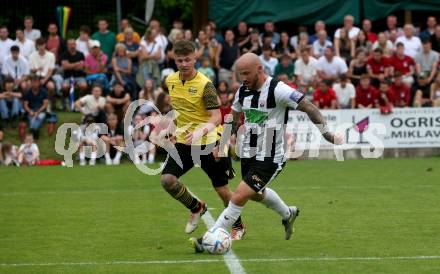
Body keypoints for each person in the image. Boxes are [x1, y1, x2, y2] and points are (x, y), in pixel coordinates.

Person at [189, 52, 343, 252]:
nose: (243, 78)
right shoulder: (242, 92)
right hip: (249, 154)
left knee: (240, 195)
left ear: (260, 69)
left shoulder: (278, 90)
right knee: (255, 194)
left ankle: (211, 236)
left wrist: (327, 134)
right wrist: (223, 144)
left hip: (271, 157)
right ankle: (288, 214)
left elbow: (309, 107)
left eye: (246, 73)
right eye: (240, 74)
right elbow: (233, 119)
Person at [159, 40, 246, 240]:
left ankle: (239, 226)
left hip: (209, 143)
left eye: (187, 59)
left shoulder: (205, 85)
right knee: (167, 180)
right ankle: (196, 207)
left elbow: (216, 117)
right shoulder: (171, 80)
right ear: (174, 59)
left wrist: (199, 131)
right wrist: (173, 129)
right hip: (184, 142)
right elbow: (181, 109)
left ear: (195, 58)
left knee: (223, 192)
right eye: (180, 60)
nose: (184, 64)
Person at [28, 38, 57, 108]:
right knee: (28, 85)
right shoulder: (32, 55)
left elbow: (50, 71)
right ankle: (30, 103)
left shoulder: (51, 55)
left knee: (51, 87)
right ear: (37, 46)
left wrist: (44, 80)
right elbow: (31, 70)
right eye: (39, 45)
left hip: (46, 77)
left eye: (42, 45)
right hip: (35, 76)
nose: (41, 47)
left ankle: (48, 102)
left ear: (45, 45)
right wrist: (37, 69)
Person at [61, 39, 87, 107]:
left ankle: (79, 100)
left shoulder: (81, 54)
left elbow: (81, 67)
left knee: (84, 86)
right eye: (70, 44)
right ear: (67, 45)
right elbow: (65, 67)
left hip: (79, 76)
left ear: (75, 45)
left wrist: (70, 65)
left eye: (73, 44)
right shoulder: (64, 54)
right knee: (64, 87)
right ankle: (66, 99)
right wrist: (77, 64)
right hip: (68, 77)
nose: (72, 46)